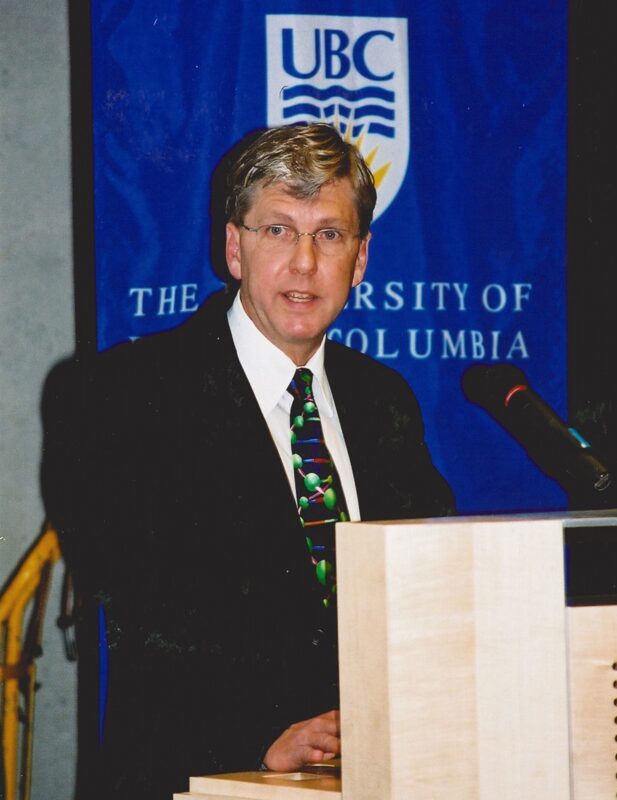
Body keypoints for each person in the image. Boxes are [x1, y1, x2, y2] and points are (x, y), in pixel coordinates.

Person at [41, 123, 454, 800]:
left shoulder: (383, 400)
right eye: (277, 231)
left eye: (329, 234)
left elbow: (428, 588)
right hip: (202, 774)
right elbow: (146, 613)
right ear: (234, 248)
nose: (303, 263)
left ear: (360, 259)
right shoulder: (120, 395)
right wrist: (261, 733)